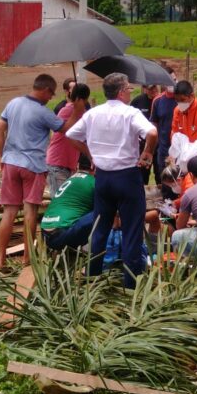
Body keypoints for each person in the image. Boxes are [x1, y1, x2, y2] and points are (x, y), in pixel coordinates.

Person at [66, 72, 158, 289]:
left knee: (100, 227)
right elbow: (152, 133)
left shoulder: (93, 114)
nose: (130, 92)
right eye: (129, 89)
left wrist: (91, 156)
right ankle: (130, 283)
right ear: (121, 91)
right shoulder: (130, 113)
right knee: (132, 229)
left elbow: (71, 134)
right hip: (127, 176)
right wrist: (148, 153)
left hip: (103, 177)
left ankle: (92, 277)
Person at [0, 73, 86, 268]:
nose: (51, 98)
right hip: (33, 166)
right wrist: (77, 109)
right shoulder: (42, 112)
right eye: (50, 94)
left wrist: (3, 155)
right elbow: (66, 129)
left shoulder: (13, 103)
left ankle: (0, 260)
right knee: (30, 212)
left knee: (8, 212)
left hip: (10, 163)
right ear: (44, 90)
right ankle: (28, 258)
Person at [40, 155, 96, 251]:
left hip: (44, 233)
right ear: (93, 166)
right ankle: (93, 249)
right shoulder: (93, 182)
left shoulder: (71, 179)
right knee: (104, 211)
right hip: (61, 236)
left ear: (78, 165)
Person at [46, 83, 91, 197]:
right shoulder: (66, 110)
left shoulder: (84, 113)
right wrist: (76, 111)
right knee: (60, 199)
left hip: (69, 164)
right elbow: (66, 130)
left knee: (66, 198)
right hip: (57, 163)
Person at [150, 67, 178, 190]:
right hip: (164, 151)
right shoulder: (157, 101)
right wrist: (150, 149)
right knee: (166, 185)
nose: (172, 83)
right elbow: (154, 127)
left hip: (181, 150)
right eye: (169, 81)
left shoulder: (183, 99)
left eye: (174, 79)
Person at [131, 84, 160, 184]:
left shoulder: (161, 101)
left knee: (160, 173)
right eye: (150, 88)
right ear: (144, 89)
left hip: (159, 145)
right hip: (144, 146)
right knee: (142, 174)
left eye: (155, 87)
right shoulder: (137, 101)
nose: (154, 90)